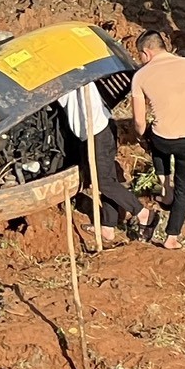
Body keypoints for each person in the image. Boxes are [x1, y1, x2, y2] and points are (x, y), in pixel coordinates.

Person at [129, 28, 185, 247]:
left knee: (155, 142)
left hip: (164, 138)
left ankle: (165, 190)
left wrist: (141, 137)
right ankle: (172, 237)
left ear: (146, 52)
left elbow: (139, 121)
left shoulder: (141, 76)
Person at [61, 75, 127, 246]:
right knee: (107, 178)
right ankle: (108, 226)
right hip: (104, 127)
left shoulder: (68, 78)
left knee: (103, 181)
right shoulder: (77, 75)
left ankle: (143, 214)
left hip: (96, 132)